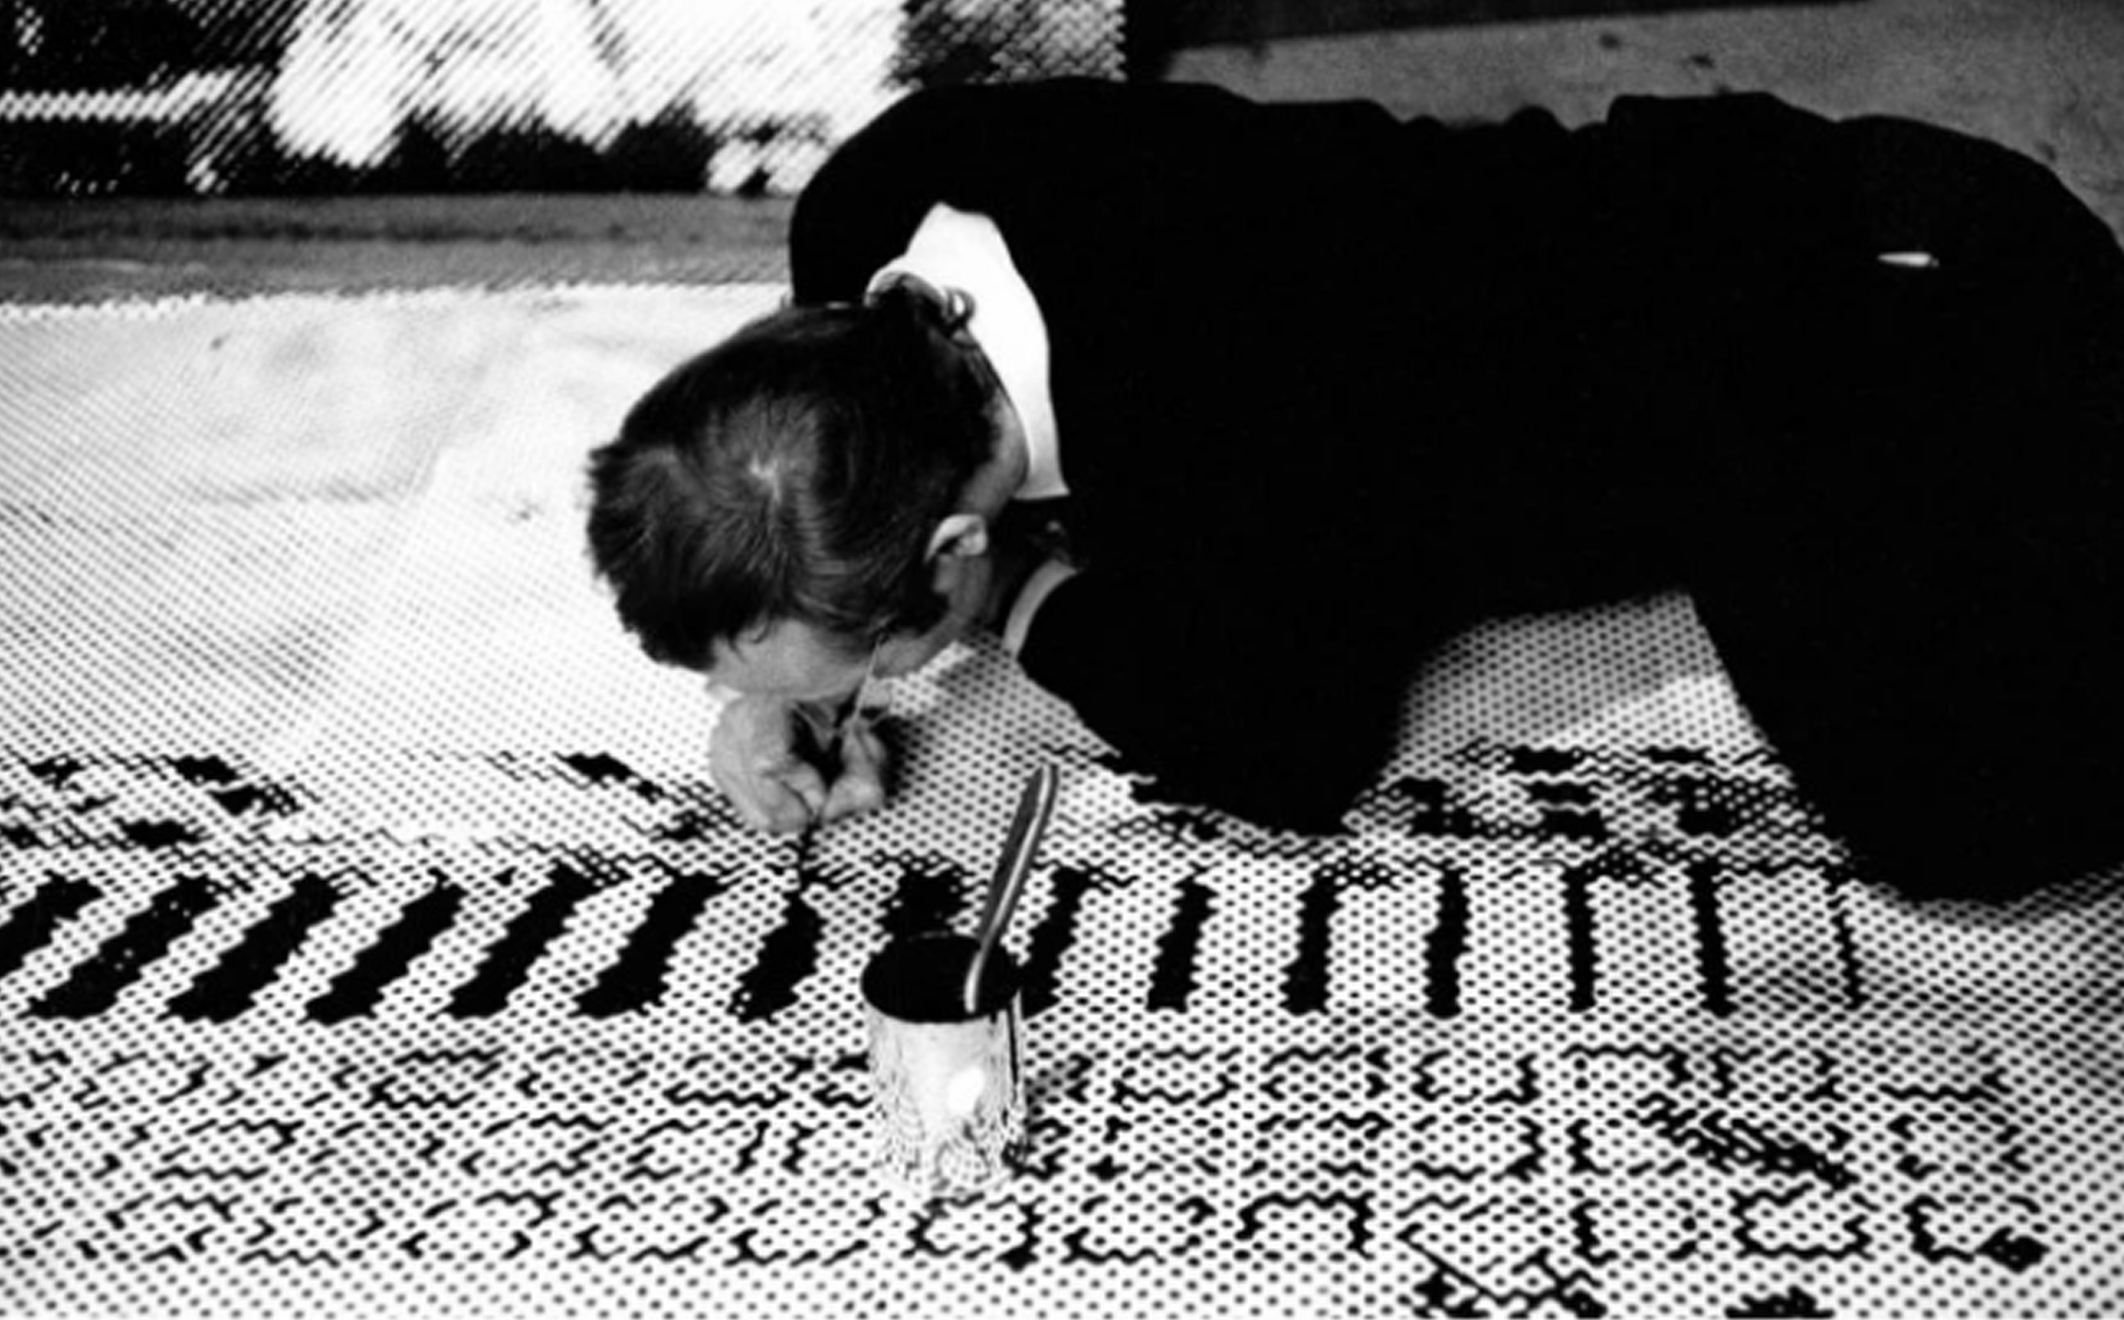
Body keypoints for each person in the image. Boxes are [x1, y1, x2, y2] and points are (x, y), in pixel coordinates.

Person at [585, 77, 2124, 902]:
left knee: (1975, 826)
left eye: (879, 657)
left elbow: (1288, 743)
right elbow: (801, 485)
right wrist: (770, 679)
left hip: (1865, 301)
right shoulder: (868, 213)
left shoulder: (1217, 427)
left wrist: (1028, 602)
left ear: (956, 551)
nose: (871, 688)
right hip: (1695, 212)